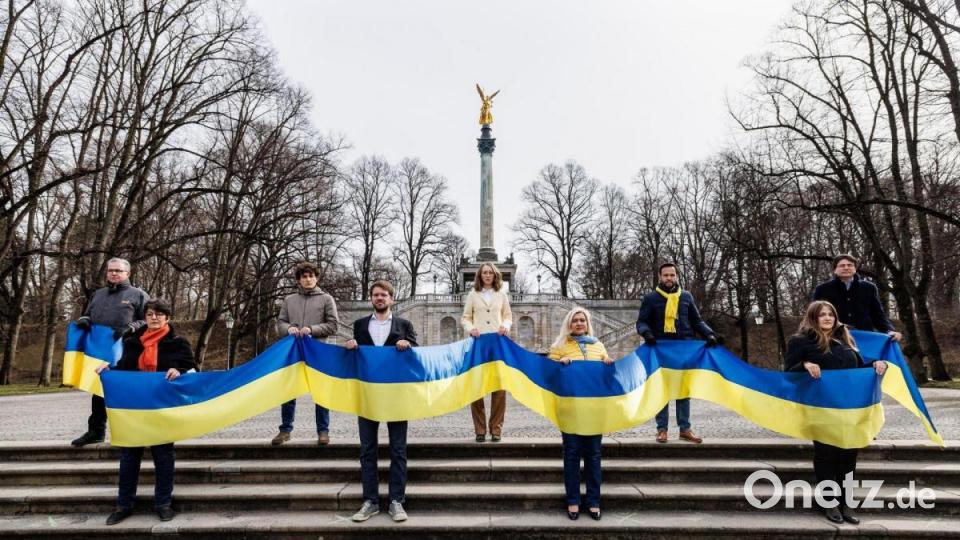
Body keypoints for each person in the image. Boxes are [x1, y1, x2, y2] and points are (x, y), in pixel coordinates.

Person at [95, 299, 196, 525]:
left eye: (159, 314)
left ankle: (163, 504)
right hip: (135, 409)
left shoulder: (179, 343)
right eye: (150, 314)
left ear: (167, 318)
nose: (154, 318)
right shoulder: (132, 342)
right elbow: (122, 368)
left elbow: (192, 368)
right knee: (129, 457)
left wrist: (178, 370)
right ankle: (124, 505)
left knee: (163, 456)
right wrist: (108, 369)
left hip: (162, 408)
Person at [785, 300, 886, 525]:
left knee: (849, 456)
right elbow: (788, 374)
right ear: (813, 317)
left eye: (831, 314)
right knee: (826, 454)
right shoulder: (800, 341)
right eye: (822, 315)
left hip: (849, 408)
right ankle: (828, 501)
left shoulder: (845, 339)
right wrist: (804, 366)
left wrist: (876, 365)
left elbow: (857, 369)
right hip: (821, 407)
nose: (828, 318)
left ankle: (846, 501)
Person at [345, 280, 418, 523]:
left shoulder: (404, 325)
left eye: (384, 295)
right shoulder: (359, 325)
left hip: (396, 395)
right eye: (376, 295)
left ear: (392, 299)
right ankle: (370, 501)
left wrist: (408, 345)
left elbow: (417, 355)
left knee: (398, 449)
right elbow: (354, 358)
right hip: (368, 396)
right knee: (367, 450)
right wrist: (351, 346)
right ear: (371, 299)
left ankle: (397, 500)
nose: (380, 298)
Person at [635, 262, 721, 444]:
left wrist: (710, 334)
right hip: (661, 349)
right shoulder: (650, 298)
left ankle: (685, 429)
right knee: (661, 390)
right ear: (660, 277)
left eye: (672, 275)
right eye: (665, 275)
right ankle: (662, 430)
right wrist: (647, 333)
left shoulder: (686, 297)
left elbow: (697, 321)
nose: (669, 278)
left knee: (684, 390)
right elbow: (641, 322)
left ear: (677, 276)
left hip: (684, 349)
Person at [70, 257, 150, 447]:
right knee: (99, 391)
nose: (114, 273)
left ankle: (135, 432)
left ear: (127, 274)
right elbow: (88, 313)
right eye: (110, 270)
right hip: (99, 350)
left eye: (118, 271)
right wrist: (85, 320)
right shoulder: (98, 294)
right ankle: (96, 431)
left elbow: (148, 320)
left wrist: (131, 328)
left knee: (127, 391)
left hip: (127, 349)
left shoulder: (138, 295)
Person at [548, 307, 614, 521]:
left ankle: (594, 501)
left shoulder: (599, 346)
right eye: (575, 320)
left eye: (582, 320)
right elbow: (548, 373)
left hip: (594, 409)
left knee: (594, 456)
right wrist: (559, 365)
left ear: (587, 324)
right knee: (572, 454)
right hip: (571, 409)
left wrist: (608, 364)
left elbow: (608, 377)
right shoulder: (559, 346)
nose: (578, 323)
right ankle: (573, 500)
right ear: (569, 324)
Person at [272, 261, 340, 446]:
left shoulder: (327, 299)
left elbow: (333, 325)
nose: (308, 279)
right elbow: (280, 324)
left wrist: (311, 329)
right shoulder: (289, 300)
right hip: (293, 351)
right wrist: (290, 328)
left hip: (317, 351)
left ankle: (323, 431)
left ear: (316, 278)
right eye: (304, 276)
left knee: (321, 391)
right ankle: (285, 430)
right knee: (288, 391)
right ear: (299, 280)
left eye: (311, 276)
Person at [461, 262, 513, 443]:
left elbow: (508, 316)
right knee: (477, 386)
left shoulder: (501, 295)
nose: (488, 275)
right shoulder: (473, 295)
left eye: (490, 272)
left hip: (498, 342)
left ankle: (496, 429)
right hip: (479, 342)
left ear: (495, 275)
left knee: (499, 387)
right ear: (480, 275)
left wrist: (505, 326)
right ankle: (480, 430)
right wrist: (471, 328)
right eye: (484, 273)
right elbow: (465, 317)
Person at [812, 254, 902, 341]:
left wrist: (889, 330)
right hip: (834, 337)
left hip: (864, 337)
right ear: (835, 270)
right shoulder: (822, 289)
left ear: (855, 269)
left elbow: (877, 314)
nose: (846, 268)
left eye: (850, 265)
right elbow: (814, 315)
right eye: (842, 265)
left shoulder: (869, 288)